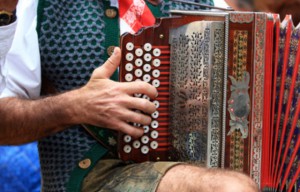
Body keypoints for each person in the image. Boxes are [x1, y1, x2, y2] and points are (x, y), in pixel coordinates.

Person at [0, 0, 259, 191]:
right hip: (92, 177)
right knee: (230, 188)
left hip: (194, 164)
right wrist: (74, 105)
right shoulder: (41, 8)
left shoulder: (208, 4)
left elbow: (250, 104)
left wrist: (218, 108)